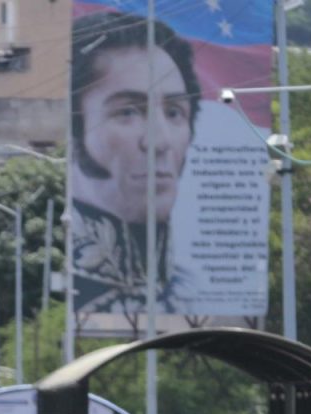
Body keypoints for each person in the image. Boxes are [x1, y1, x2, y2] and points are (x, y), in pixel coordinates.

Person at [71, 10, 201, 316]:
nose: (158, 142)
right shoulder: (73, 291)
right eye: (127, 112)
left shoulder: (196, 295)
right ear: (78, 126)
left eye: (174, 112)